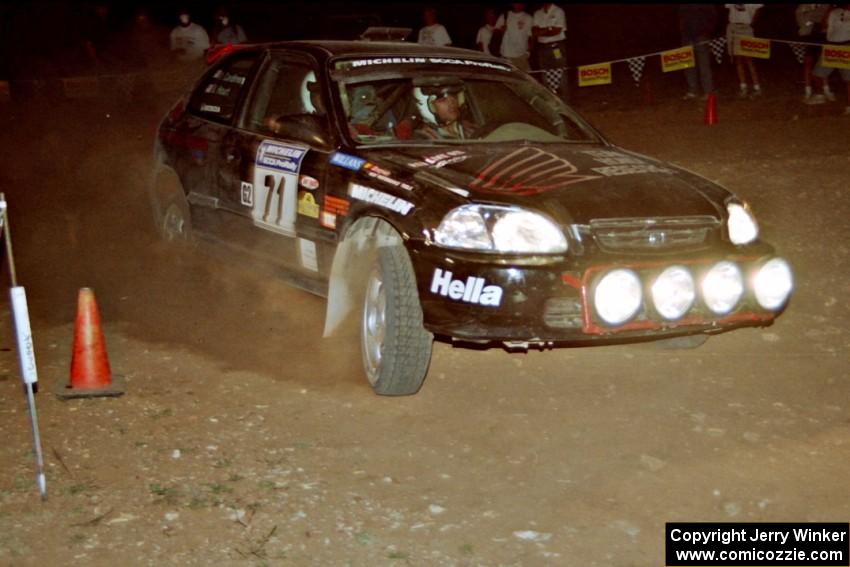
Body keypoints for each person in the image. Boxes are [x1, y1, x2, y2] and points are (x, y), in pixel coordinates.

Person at [809, 4, 850, 113]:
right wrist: (829, 10)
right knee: (817, 74)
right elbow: (824, 27)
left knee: (848, 80)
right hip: (831, 47)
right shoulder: (834, 12)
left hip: (846, 47)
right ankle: (820, 96)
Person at [724, 4, 763, 99]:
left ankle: (757, 87)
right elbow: (727, 9)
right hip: (734, 28)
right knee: (738, 60)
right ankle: (743, 87)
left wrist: (752, 22)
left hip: (746, 28)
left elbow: (759, 9)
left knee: (749, 59)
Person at [679, 4, 717, 100]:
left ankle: (708, 91)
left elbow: (713, 17)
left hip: (701, 36)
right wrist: (683, 32)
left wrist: (707, 31)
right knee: (688, 65)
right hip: (687, 36)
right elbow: (681, 18)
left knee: (704, 65)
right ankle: (692, 91)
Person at [532, 3, 568, 101]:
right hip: (542, 48)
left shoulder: (558, 11)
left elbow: (557, 31)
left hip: (556, 47)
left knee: (560, 72)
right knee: (545, 73)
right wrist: (549, 29)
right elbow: (534, 31)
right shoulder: (537, 13)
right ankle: (550, 101)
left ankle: (564, 101)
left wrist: (542, 31)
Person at [796, 4, 832, 102]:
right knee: (808, 63)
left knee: (823, 64)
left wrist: (810, 17)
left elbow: (827, 22)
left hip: (823, 37)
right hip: (807, 36)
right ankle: (808, 91)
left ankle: (826, 90)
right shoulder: (803, 6)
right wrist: (816, 18)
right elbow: (801, 22)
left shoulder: (826, 6)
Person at [495, 3, 534, 72]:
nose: (518, 5)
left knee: (526, 78)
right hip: (506, 54)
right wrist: (501, 30)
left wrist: (529, 51)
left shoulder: (528, 18)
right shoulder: (505, 15)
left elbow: (531, 37)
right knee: (507, 79)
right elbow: (495, 32)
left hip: (521, 55)